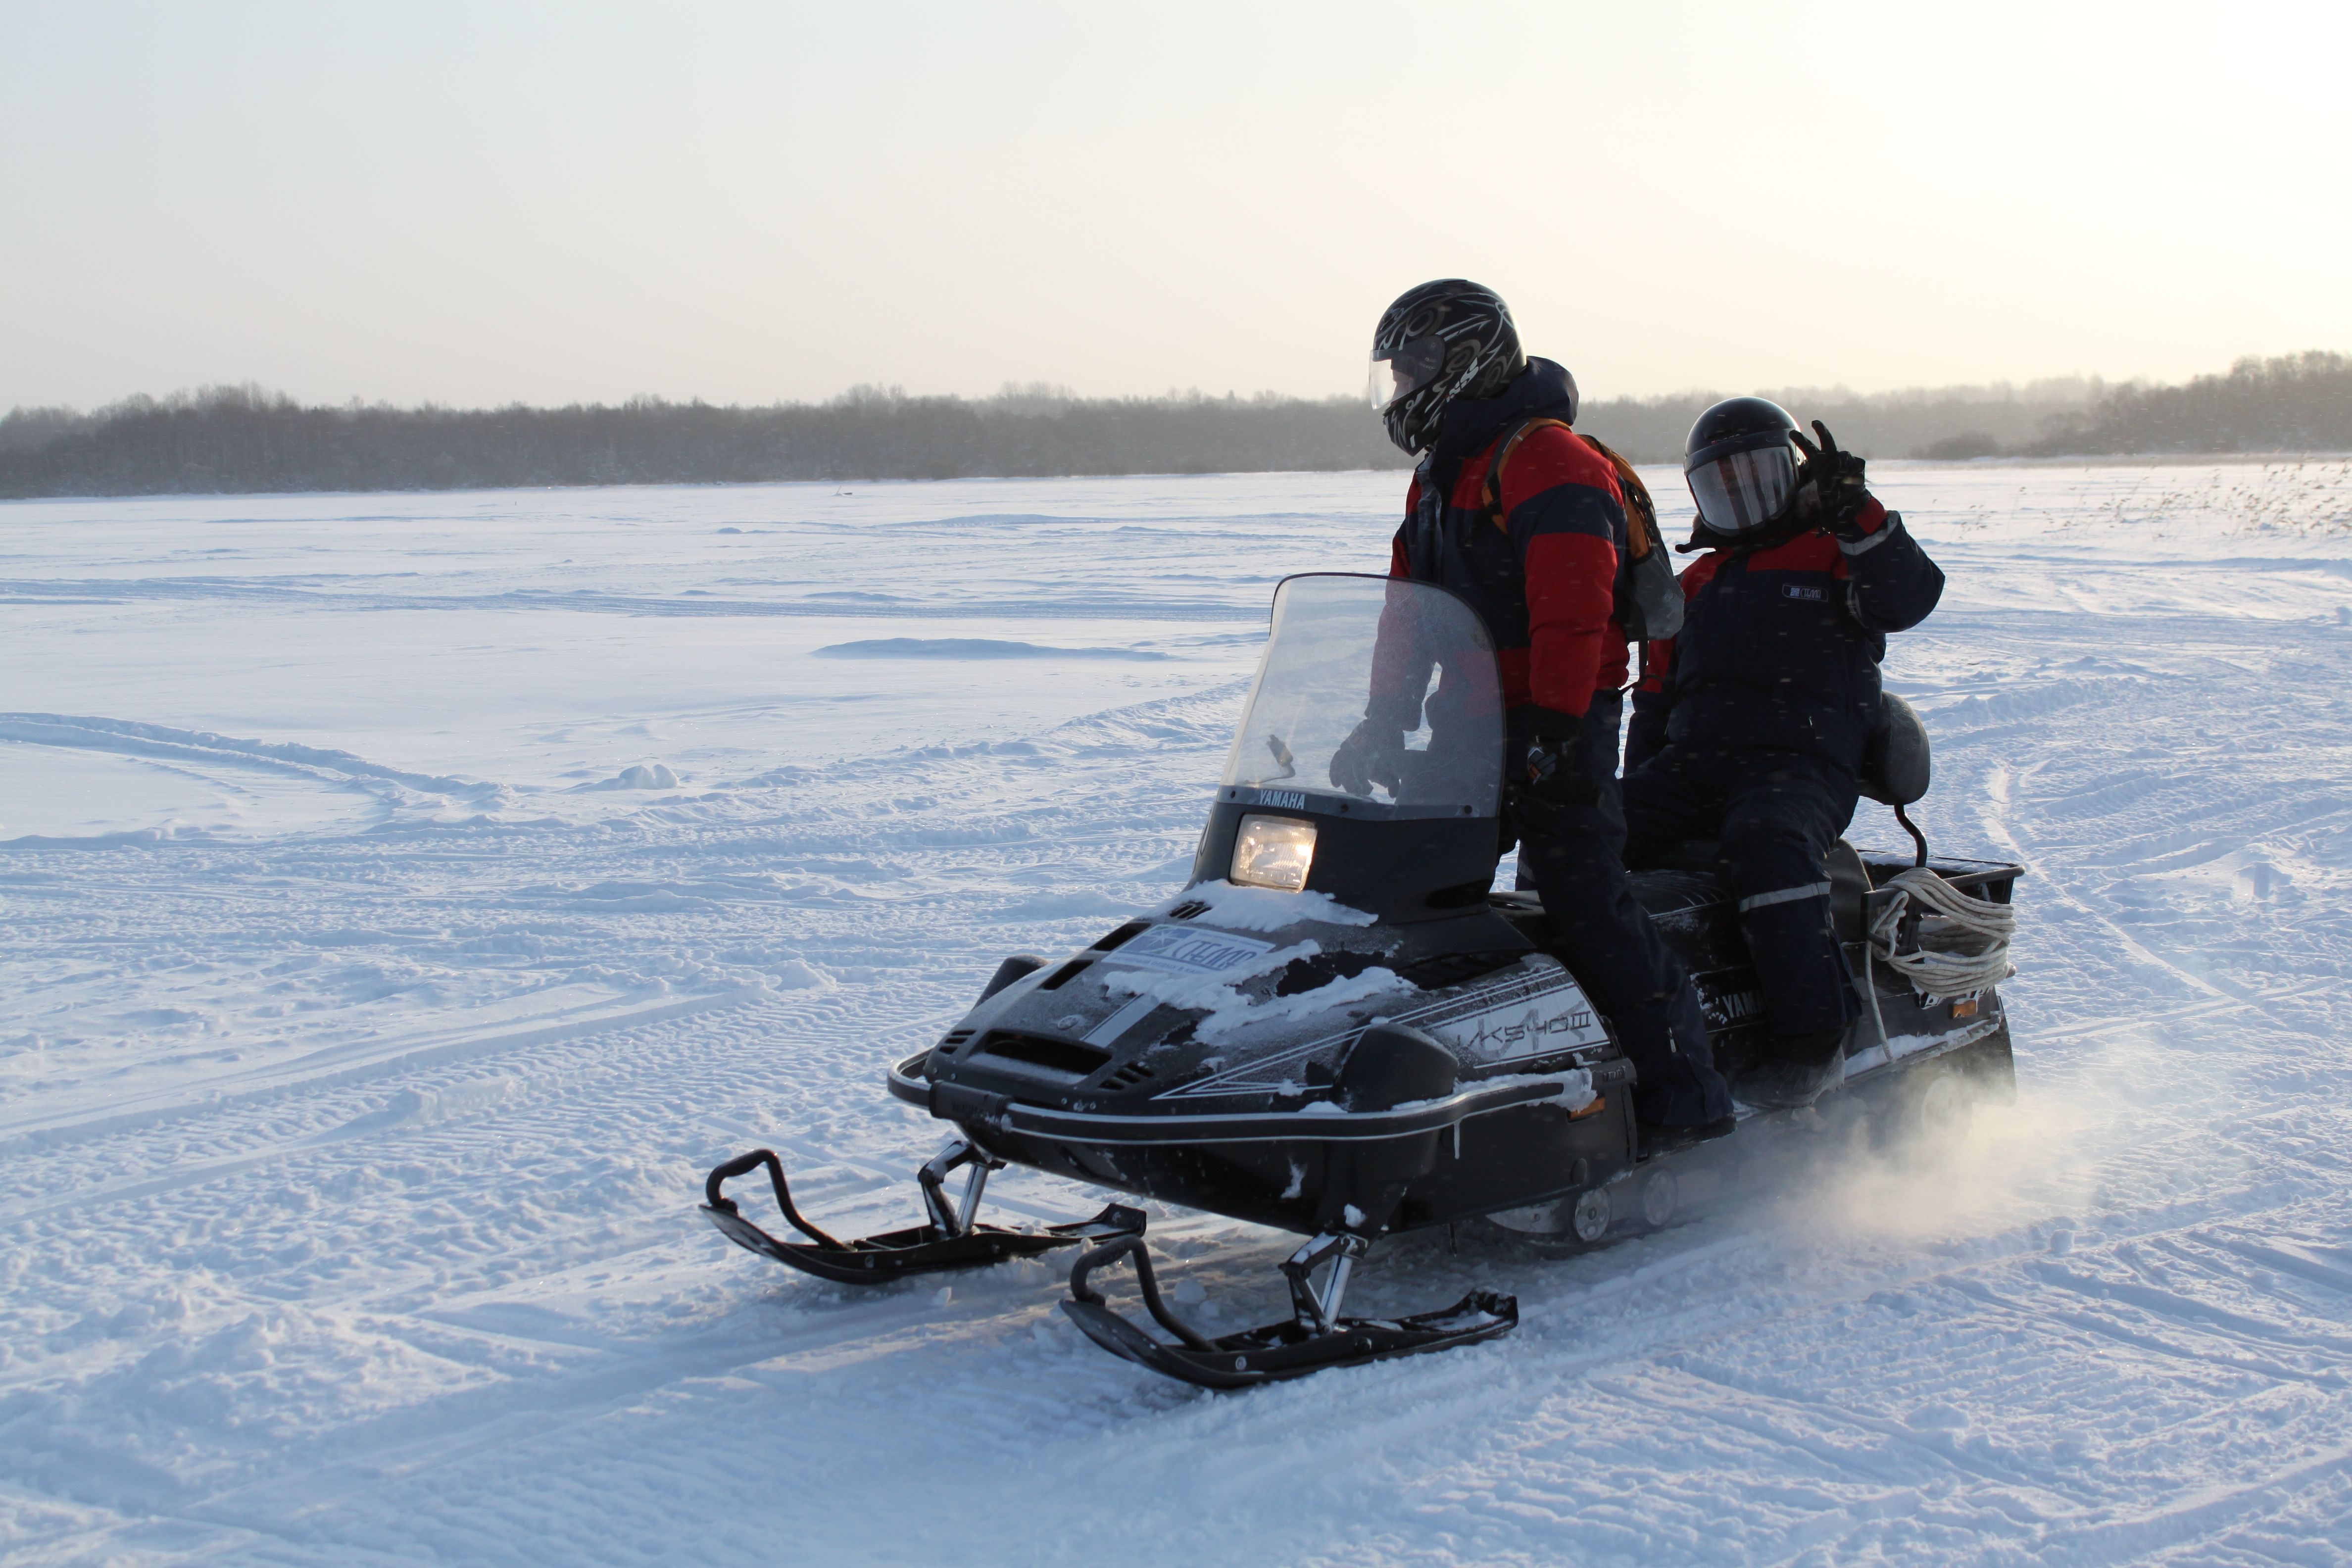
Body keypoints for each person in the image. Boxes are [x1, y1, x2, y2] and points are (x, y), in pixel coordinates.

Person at [1339, 279, 1734, 1151]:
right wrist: (1382, 716)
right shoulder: (1441, 477)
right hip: (1470, 723)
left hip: (1564, 721)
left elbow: (1574, 604)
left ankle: (1685, 1098)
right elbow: (1409, 611)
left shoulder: (1546, 458)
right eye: (1395, 374)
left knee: (1581, 898)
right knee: (1405, 892)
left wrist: (1556, 730)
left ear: (1470, 358)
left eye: (1414, 369)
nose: (1402, 390)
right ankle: (1430, 1087)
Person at [1623, 397, 1946, 1107]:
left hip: (1802, 765)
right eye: (1723, 484)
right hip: (1691, 766)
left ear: (1790, 474)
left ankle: (1812, 1042)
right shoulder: (1697, 584)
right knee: (1582, 827)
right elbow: (1653, 703)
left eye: (1756, 476)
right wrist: (1628, 791)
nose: (1740, 495)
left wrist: (1859, 514)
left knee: (1765, 840)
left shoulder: (1836, 555)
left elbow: (1910, 597)